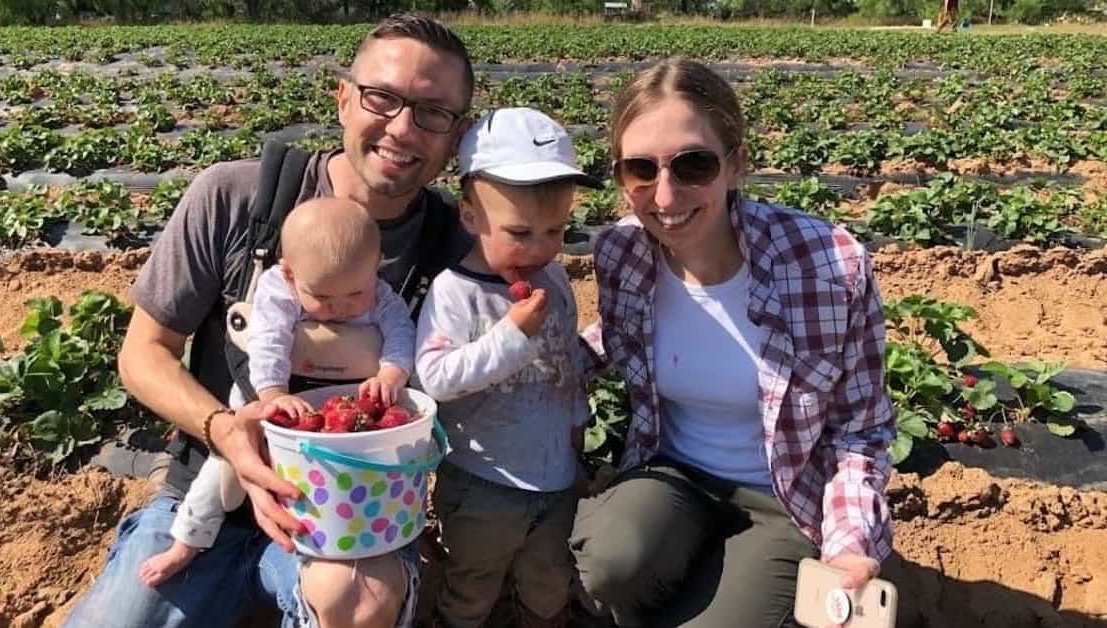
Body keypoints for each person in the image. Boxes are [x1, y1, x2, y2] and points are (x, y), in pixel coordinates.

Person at [63, 14, 474, 628]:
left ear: (455, 132)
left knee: (357, 605)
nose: (402, 127)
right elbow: (143, 352)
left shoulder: (453, 247)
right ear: (343, 98)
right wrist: (222, 427)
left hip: (347, 509)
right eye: (381, 97)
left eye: (433, 112)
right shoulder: (237, 199)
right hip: (212, 492)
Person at [571, 58, 895, 628]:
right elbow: (616, 338)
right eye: (640, 169)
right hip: (673, 474)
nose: (665, 196)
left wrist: (848, 539)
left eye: (693, 165)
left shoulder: (827, 268)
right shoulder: (623, 252)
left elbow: (860, 429)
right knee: (610, 563)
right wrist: (522, 359)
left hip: (783, 499)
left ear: (736, 164)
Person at [138, 198, 417, 588]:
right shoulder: (277, 289)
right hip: (267, 398)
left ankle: (330, 531)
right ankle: (188, 540)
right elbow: (268, 341)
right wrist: (273, 394)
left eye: (354, 295)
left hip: (331, 410)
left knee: (336, 471)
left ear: (377, 267)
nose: (338, 308)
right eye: (321, 297)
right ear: (289, 273)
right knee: (225, 470)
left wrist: (392, 372)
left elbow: (402, 331)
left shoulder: (380, 294)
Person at [414, 108, 601, 628]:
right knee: (472, 586)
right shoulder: (457, 292)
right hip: (482, 481)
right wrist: (511, 336)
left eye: (554, 231)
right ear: (471, 217)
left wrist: (577, 429)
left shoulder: (555, 281)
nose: (540, 248)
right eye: (520, 232)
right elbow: (435, 379)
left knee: (548, 584)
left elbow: (565, 363)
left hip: (556, 477)